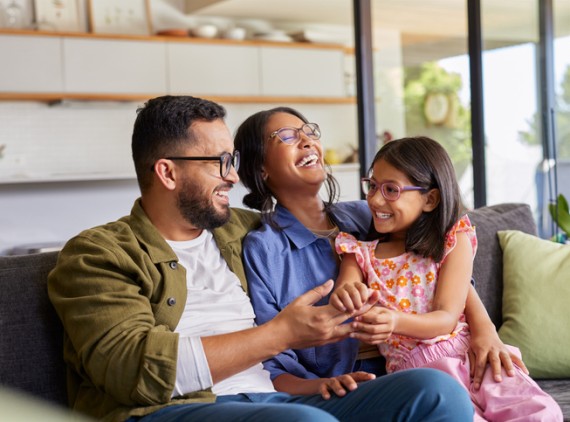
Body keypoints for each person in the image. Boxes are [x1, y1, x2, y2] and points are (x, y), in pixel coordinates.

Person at [47, 95, 474, 422]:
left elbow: (433, 249)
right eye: (219, 163)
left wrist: (483, 329)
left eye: (232, 161)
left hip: (277, 399)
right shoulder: (96, 255)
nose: (234, 176)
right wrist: (281, 334)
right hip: (177, 408)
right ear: (167, 172)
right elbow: (133, 370)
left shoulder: (241, 229)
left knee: (437, 392)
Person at [234, 106, 528, 399]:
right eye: (286, 136)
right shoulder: (265, 248)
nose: (307, 140)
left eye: (309, 131)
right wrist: (318, 387)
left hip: (435, 357)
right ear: (261, 167)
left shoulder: (369, 213)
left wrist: (485, 330)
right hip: (354, 386)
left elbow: (441, 267)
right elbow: (269, 357)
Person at [329, 136, 563, 421]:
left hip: (472, 357)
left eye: (391, 190)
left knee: (540, 413)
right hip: (418, 376)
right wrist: (347, 295)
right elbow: (346, 289)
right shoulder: (359, 253)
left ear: (430, 199)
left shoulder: (452, 241)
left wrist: (394, 322)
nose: (375, 199)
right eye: (373, 185)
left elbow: (446, 318)